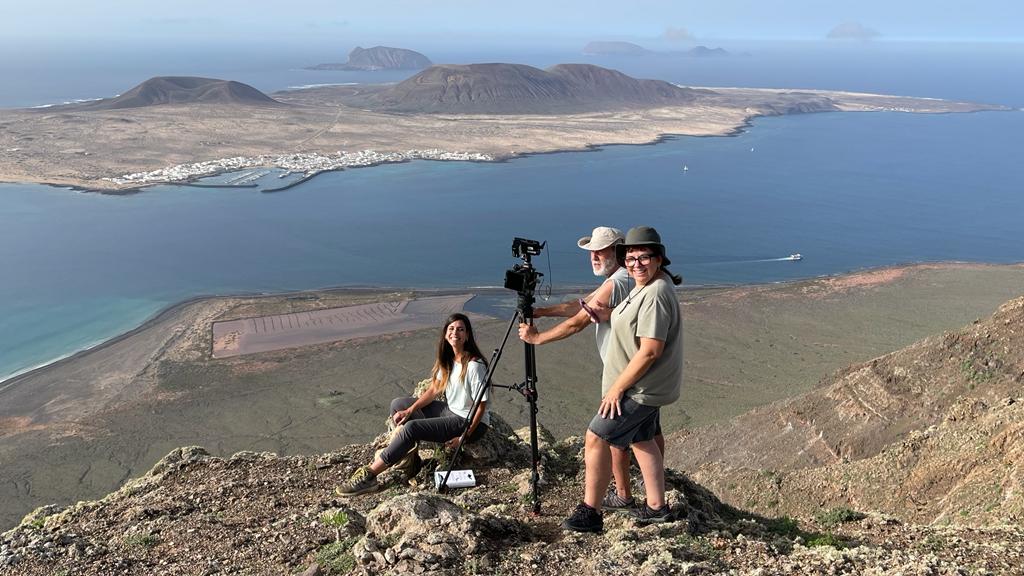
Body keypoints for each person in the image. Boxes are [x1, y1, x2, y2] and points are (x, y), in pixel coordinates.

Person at [519, 226, 664, 511]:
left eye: (601, 251)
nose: (594, 257)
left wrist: (538, 338)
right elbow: (582, 306)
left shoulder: (618, 281)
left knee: (614, 436)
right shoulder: (623, 278)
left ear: (618, 251)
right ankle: (653, 499)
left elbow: (579, 321)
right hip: (638, 372)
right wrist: (543, 312)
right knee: (646, 435)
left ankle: (623, 496)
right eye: (592, 252)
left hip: (624, 373)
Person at [563, 226, 684, 533]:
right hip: (640, 385)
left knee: (596, 437)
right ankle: (656, 507)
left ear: (659, 259)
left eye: (644, 257)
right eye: (630, 258)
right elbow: (632, 315)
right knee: (643, 440)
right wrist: (608, 315)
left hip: (638, 388)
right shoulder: (648, 284)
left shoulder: (655, 292)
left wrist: (617, 389)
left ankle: (590, 512)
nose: (636, 264)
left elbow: (650, 351)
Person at [335, 313, 490, 497]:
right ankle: (409, 461)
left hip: (469, 422)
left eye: (460, 329)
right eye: (451, 329)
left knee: (412, 427)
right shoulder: (450, 360)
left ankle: (370, 476)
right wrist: (410, 410)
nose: (455, 332)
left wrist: (464, 437)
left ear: (467, 336)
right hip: (451, 412)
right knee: (398, 404)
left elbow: (481, 406)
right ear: (445, 334)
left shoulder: (474, 365)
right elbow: (434, 390)